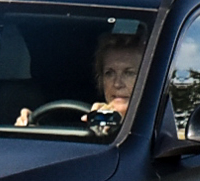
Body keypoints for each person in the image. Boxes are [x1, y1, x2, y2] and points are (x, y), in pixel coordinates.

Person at [16, 30, 144, 128]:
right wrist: (31, 131)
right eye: (109, 73)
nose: (117, 83)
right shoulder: (86, 123)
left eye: (129, 73)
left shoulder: (161, 133)